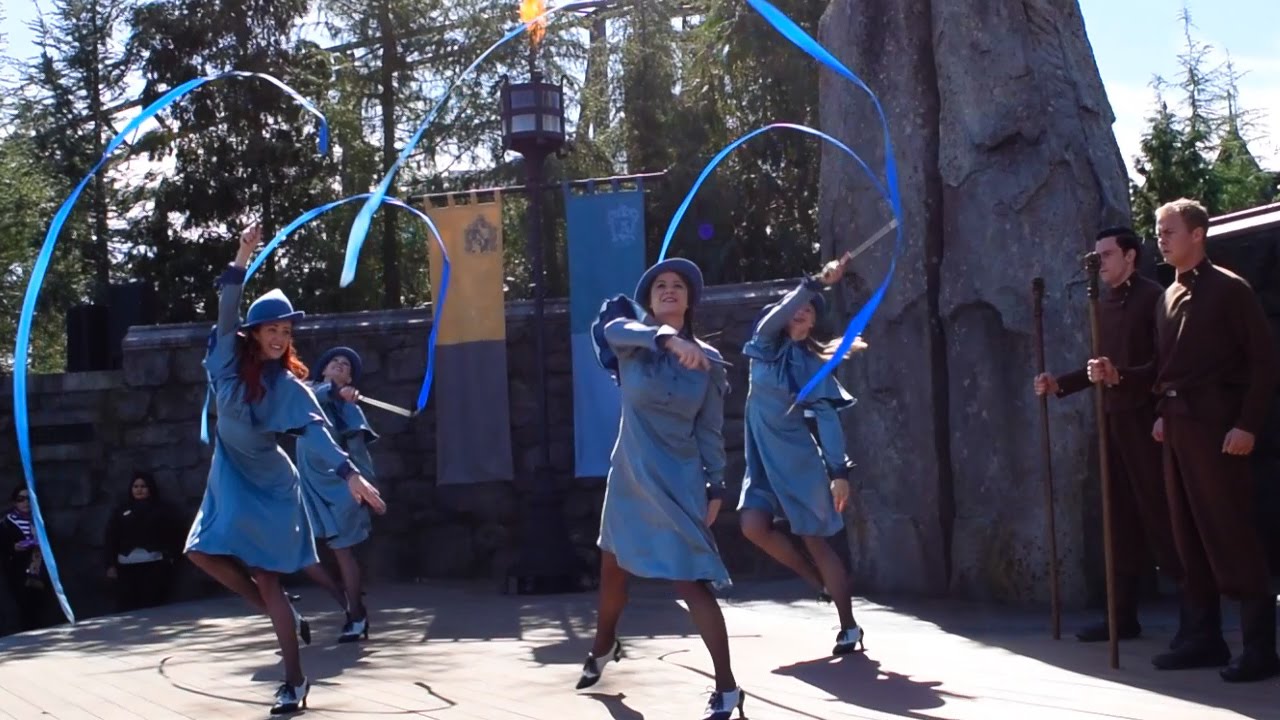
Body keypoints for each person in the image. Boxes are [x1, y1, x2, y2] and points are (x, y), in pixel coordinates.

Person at [184, 224, 387, 714]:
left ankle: (294, 682)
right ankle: (285, 619)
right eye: (272, 329)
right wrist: (242, 254)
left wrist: (350, 474)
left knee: (267, 576)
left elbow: (316, 432)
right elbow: (227, 305)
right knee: (200, 553)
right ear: (254, 332)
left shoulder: (288, 387)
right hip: (228, 473)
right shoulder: (225, 358)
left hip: (271, 482)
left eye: (286, 332)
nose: (279, 338)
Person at [1088, 198, 1279, 683]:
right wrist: (1127, 382)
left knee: (1230, 533)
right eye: (1158, 230)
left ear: (1197, 234)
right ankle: (1203, 637)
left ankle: (1260, 648)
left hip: (1217, 429)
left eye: (1169, 230)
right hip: (1176, 428)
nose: (1161, 238)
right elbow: (1162, 368)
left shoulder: (1229, 289)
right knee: (1186, 535)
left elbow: (1264, 362)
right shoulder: (1168, 296)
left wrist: (1247, 424)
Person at [577, 258, 745, 720]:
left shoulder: (708, 362)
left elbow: (710, 430)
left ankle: (728, 688)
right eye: (660, 286)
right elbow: (613, 327)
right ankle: (604, 645)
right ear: (650, 302)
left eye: (678, 286)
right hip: (630, 476)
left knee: (689, 580)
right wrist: (665, 338)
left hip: (679, 480)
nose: (669, 290)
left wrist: (716, 485)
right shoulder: (633, 341)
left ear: (690, 301)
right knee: (613, 570)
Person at [1033, 227, 1185, 645]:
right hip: (1113, 420)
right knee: (1115, 519)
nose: (1098, 263)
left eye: (1106, 255)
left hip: (1146, 422)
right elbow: (1099, 367)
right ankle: (1120, 616)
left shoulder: (1154, 298)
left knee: (1161, 513)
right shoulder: (1102, 303)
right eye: (1095, 255)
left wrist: (1127, 382)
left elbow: (1164, 364)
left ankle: (1197, 618)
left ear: (1130, 256)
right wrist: (1060, 383)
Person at [736, 253, 867, 655]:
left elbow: (827, 420)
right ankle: (816, 583)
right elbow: (775, 315)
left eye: (810, 310)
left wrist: (838, 471)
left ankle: (849, 626)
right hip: (760, 457)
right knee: (752, 527)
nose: (801, 311)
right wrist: (815, 284)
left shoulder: (811, 364)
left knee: (815, 540)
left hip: (796, 461)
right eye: (797, 306)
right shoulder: (764, 343)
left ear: (813, 323)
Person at [297, 346, 378, 643]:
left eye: (347, 366)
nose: (340, 365)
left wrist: (365, 486)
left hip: (341, 488)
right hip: (307, 485)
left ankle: (356, 616)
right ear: (323, 369)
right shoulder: (305, 392)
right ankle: (347, 604)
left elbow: (359, 454)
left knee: (343, 552)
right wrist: (333, 391)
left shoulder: (351, 409)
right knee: (299, 552)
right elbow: (309, 394)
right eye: (335, 361)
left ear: (350, 379)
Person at [104, 472, 184, 612]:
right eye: (135, 486)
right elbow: (111, 537)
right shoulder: (121, 510)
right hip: (126, 566)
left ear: (150, 488)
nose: (139, 490)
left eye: (143, 486)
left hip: (154, 564)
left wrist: (171, 556)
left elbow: (173, 534)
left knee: (153, 604)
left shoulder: (162, 510)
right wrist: (110, 564)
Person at [1, 486, 52, 631]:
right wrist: (13, 548)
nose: (25, 502)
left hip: (39, 569)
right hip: (18, 571)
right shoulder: (6, 522)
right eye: (21, 499)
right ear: (14, 502)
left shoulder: (38, 520)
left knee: (39, 605)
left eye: (28, 499)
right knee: (24, 607)